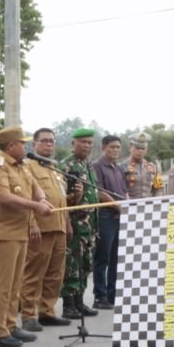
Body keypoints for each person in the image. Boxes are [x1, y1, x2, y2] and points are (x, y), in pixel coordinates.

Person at [0, 126, 54, 347]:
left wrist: (42, 200)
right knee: (4, 286)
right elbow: (4, 198)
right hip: (4, 233)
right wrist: (36, 206)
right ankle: (0, 332)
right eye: (22, 143)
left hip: (20, 231)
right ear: (11, 145)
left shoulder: (23, 166)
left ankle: (12, 325)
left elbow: (36, 189)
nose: (25, 147)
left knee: (16, 285)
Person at [19, 128, 73, 332]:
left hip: (58, 225)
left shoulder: (54, 168)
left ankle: (47, 311)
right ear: (34, 144)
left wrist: (67, 222)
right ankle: (29, 314)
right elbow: (26, 198)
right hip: (40, 228)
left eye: (52, 141)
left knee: (55, 273)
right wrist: (32, 222)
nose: (49, 144)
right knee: (34, 272)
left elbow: (60, 199)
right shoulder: (28, 167)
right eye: (44, 141)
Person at [59, 128, 106, 319]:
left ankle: (79, 302)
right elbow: (63, 199)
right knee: (72, 265)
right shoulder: (66, 166)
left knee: (86, 264)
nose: (87, 146)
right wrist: (68, 223)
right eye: (83, 142)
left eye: (89, 143)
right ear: (73, 144)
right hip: (75, 224)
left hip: (90, 225)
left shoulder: (88, 165)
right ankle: (68, 305)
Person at [91, 135, 126, 309]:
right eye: (112, 147)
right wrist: (118, 206)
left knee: (116, 258)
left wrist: (127, 204)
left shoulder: (119, 168)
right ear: (103, 148)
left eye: (118, 147)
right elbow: (99, 192)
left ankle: (113, 294)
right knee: (102, 257)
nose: (116, 150)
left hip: (120, 217)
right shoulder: (97, 166)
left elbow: (124, 191)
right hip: (105, 216)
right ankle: (100, 296)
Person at [120, 132, 164, 199]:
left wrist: (156, 202)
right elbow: (119, 189)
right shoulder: (121, 167)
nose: (140, 151)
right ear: (130, 147)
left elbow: (159, 188)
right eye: (137, 148)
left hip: (149, 206)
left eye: (143, 148)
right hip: (130, 206)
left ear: (147, 150)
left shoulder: (153, 167)